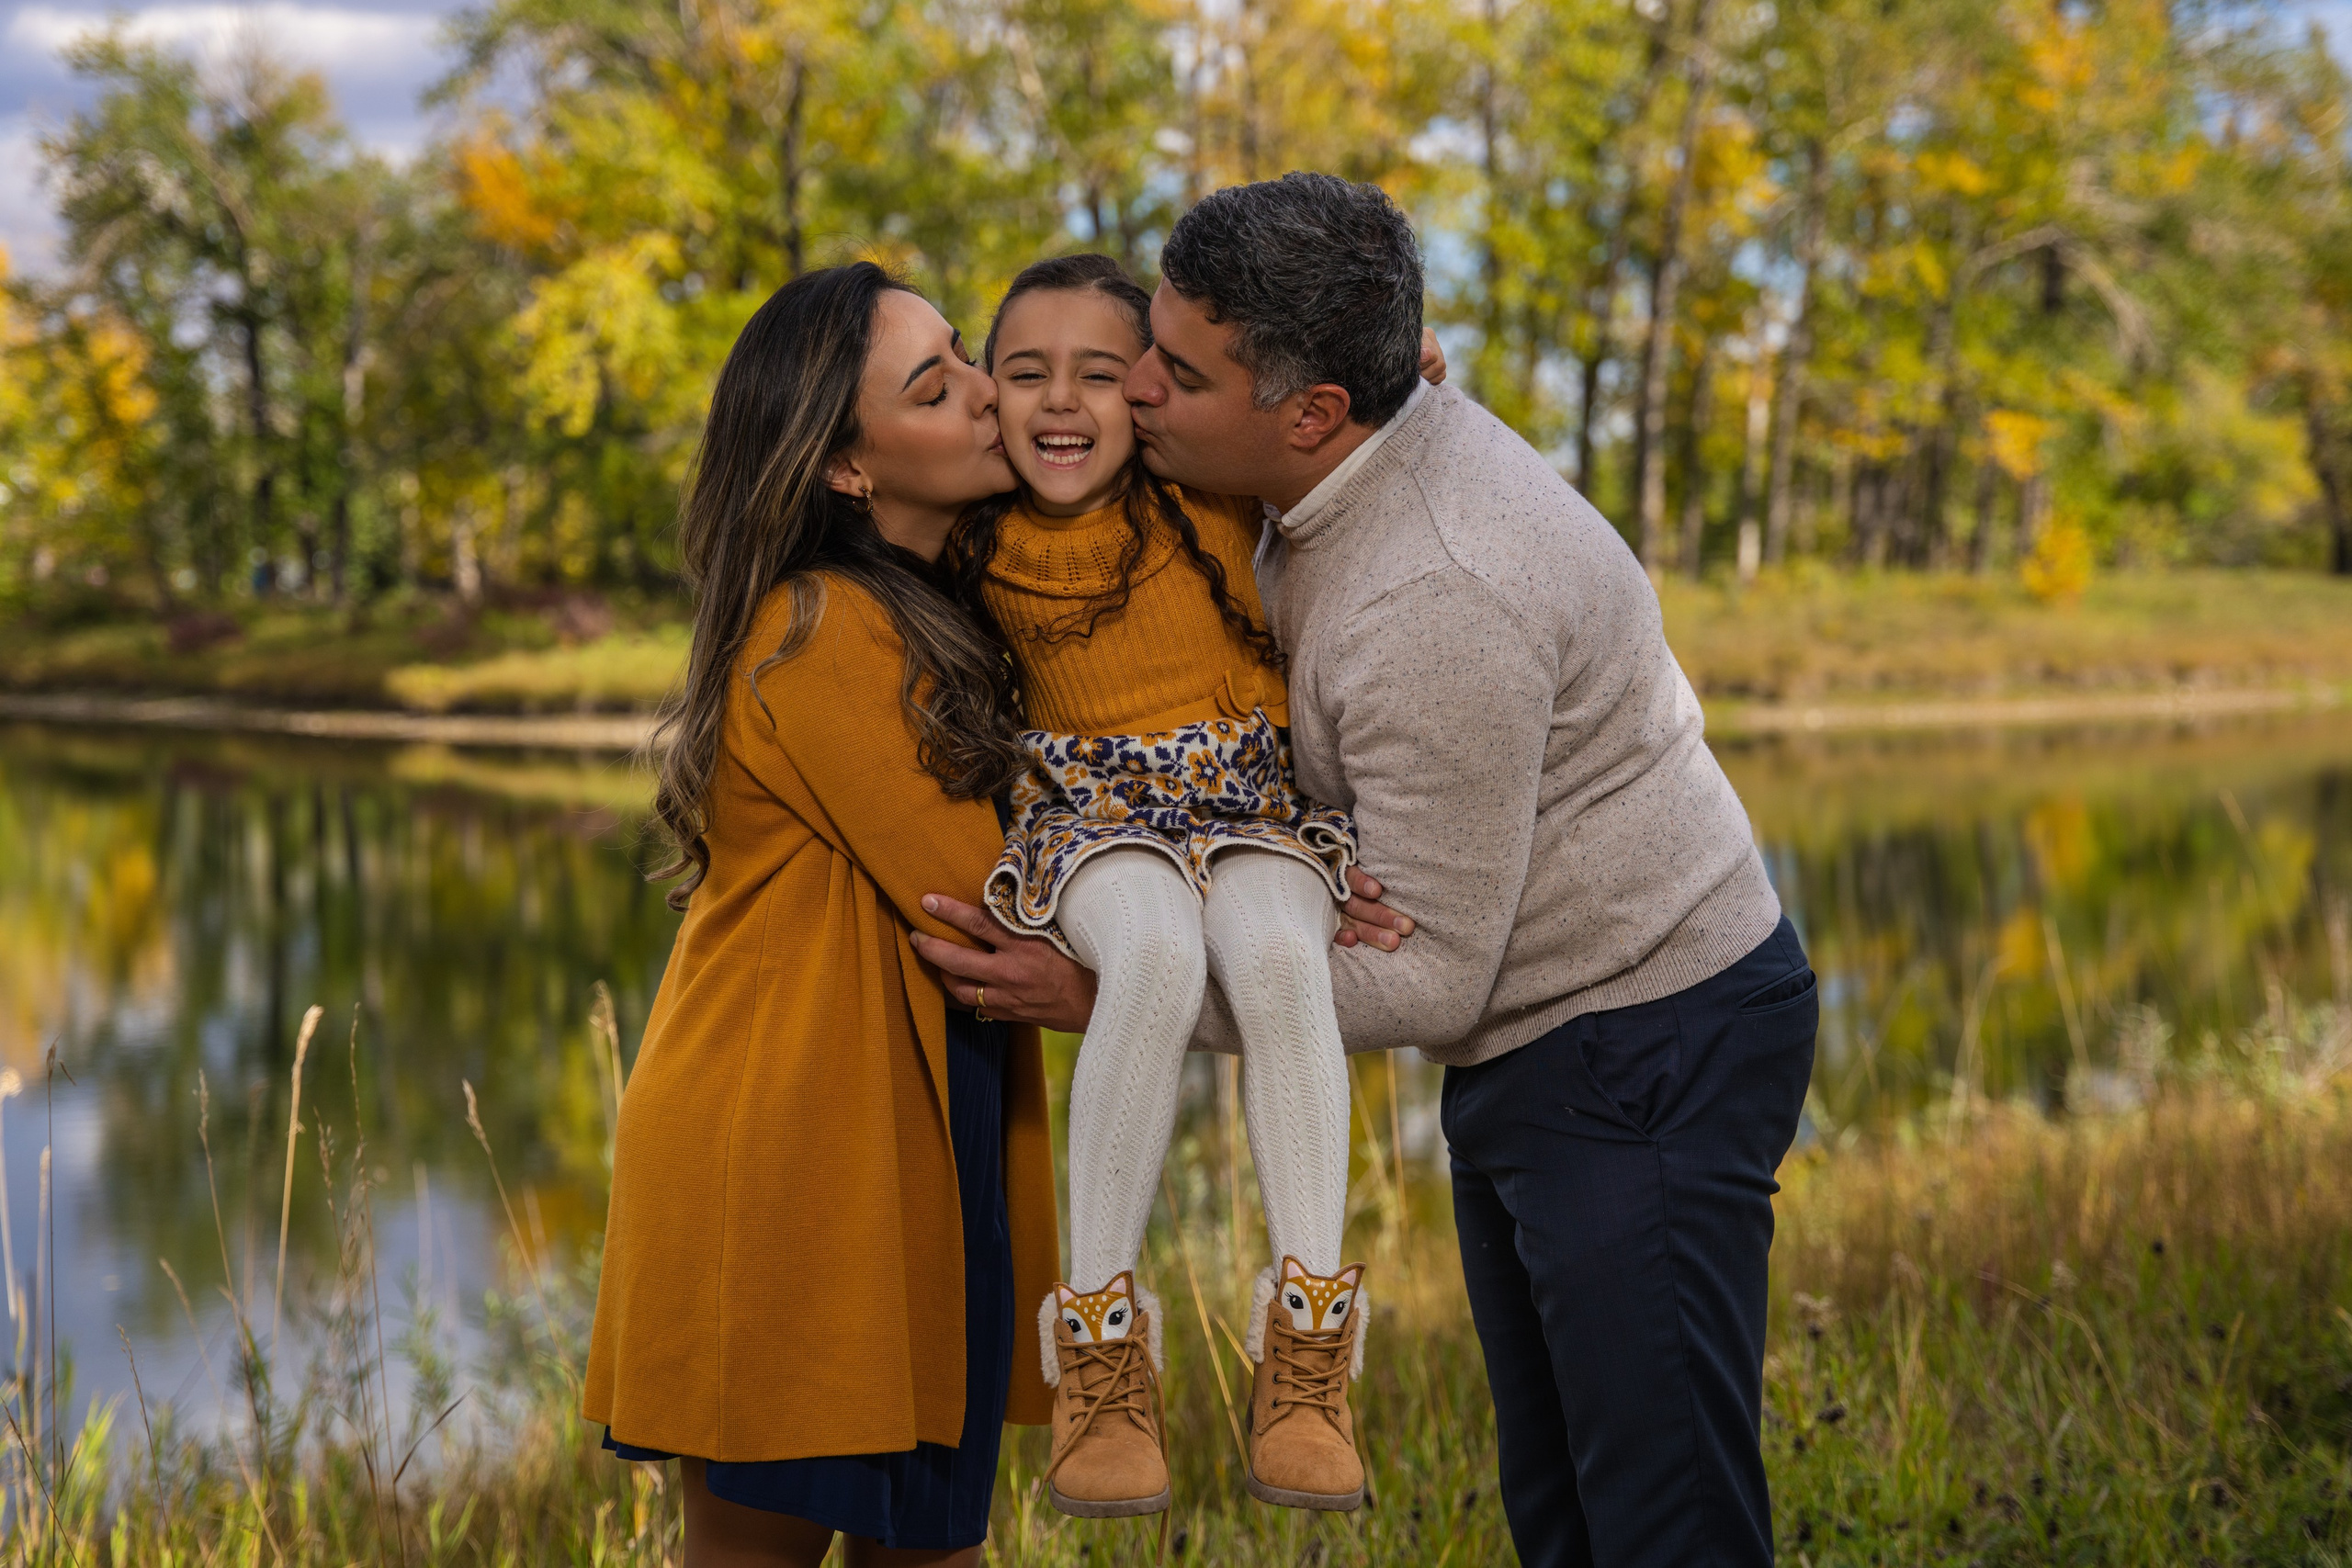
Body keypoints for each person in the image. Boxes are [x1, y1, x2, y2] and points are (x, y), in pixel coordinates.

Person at [922, 174, 1819, 1568]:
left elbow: (1439, 972)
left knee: (1663, 1520)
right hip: (1543, 1044)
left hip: (1642, 1036)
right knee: (1566, 1510)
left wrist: (1112, 993)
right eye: (1147, 344)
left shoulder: (1442, 591)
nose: (1137, 390)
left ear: (1313, 413)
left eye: (1173, 370)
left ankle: (1305, 1338)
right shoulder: (1302, 443)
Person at [582, 262, 1071, 1568]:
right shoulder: (823, 629)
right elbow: (993, 902)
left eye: (966, 354)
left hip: (897, 1141)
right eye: (937, 384)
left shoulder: (926, 610)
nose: (988, 392)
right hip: (790, 1169)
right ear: (849, 467)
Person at [956, 253, 1394, 1519]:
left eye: (1102, 373)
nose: (1063, 402)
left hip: (1253, 799)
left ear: (1148, 390)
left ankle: (1310, 1360)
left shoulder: (1204, 488)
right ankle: (1100, 1349)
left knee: (1273, 960)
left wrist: (1404, 386)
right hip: (1087, 818)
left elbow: (1335, 429)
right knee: (1147, 958)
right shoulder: (970, 536)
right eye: (1026, 372)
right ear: (986, 393)